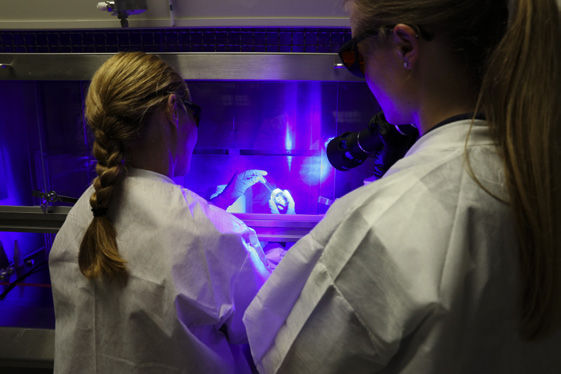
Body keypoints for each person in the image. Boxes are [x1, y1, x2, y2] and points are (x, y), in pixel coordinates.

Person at [243, 0, 561, 373]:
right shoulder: (537, 177)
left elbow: (289, 364)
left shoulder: (382, 220)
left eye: (355, 56)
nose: (358, 70)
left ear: (405, 46)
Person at [48, 51, 271, 373]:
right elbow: (262, 327)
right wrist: (269, 259)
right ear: (172, 109)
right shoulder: (215, 234)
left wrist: (221, 206)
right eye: (193, 112)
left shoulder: (82, 215)